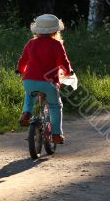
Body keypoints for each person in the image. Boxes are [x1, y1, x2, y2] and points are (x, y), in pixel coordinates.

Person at [16, 14, 73, 144]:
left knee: (29, 95)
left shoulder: (31, 43)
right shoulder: (56, 45)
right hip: (49, 83)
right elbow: (64, 62)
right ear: (55, 31)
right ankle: (56, 134)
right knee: (55, 106)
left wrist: (20, 70)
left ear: (37, 30)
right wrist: (67, 72)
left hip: (29, 80)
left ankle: (26, 113)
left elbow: (22, 61)